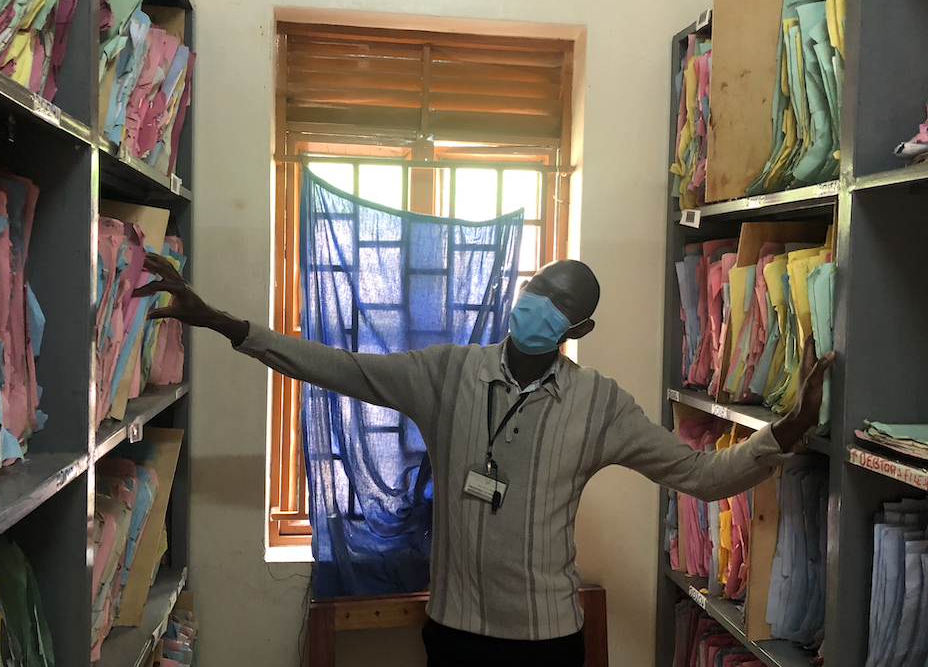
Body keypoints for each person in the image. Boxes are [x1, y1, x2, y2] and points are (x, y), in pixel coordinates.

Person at [136, 255, 833, 667]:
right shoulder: (447, 373)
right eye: (536, 289)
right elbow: (341, 368)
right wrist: (226, 323)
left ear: (577, 328)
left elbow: (701, 477)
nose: (536, 305)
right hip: (457, 634)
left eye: (557, 303)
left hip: (547, 640)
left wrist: (789, 429)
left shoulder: (600, 404)